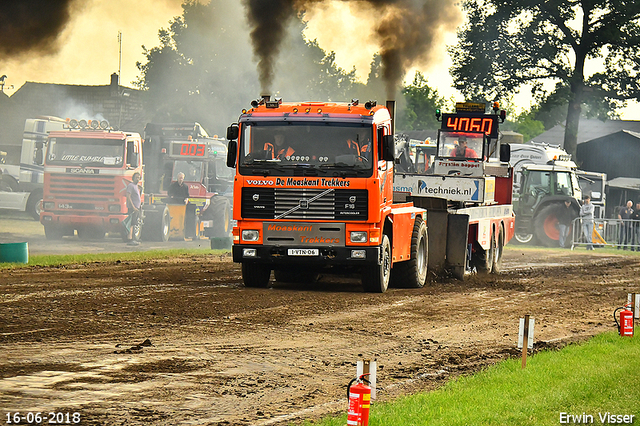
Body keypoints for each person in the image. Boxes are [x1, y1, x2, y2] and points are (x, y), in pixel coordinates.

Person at [125, 172, 142, 245]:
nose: (137, 179)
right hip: (133, 208)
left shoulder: (136, 186)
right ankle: (130, 239)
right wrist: (133, 207)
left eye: (139, 177)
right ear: (133, 178)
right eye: (136, 177)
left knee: (134, 223)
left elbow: (138, 197)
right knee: (131, 224)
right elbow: (128, 196)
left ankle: (133, 238)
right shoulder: (131, 186)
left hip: (137, 208)